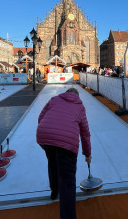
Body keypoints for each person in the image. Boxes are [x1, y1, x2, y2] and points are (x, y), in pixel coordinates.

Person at [36, 88, 91, 219]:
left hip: (44, 137)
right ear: (77, 96)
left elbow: (40, 118)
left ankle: (54, 192)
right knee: (67, 181)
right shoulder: (80, 107)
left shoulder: (54, 99)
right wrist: (87, 154)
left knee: (53, 162)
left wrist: (50, 131)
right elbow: (85, 134)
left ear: (66, 93)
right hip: (67, 143)